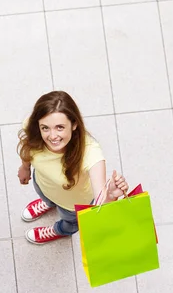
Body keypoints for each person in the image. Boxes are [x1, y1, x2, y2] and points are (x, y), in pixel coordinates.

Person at [17, 91, 128, 244]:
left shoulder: (90, 152)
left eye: (60, 127)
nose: (52, 136)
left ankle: (59, 231)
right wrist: (25, 167)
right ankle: (49, 203)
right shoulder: (33, 125)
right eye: (45, 128)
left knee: (70, 222)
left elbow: (100, 203)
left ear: (74, 124)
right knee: (47, 197)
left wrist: (110, 196)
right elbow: (28, 147)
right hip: (43, 184)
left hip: (72, 205)